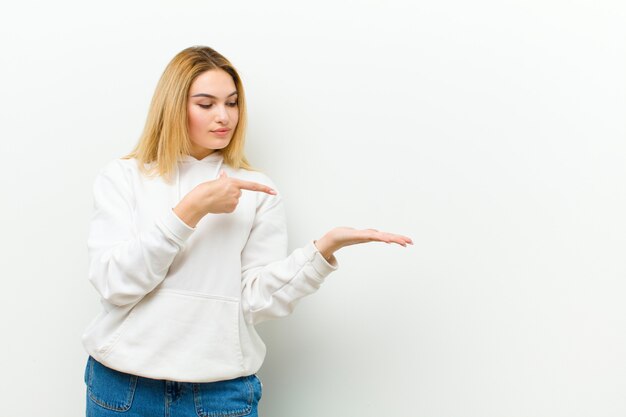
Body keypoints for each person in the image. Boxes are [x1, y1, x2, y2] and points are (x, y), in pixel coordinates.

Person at [82, 45, 412, 417]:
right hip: (124, 388)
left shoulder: (256, 190)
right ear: (173, 106)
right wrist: (191, 209)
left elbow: (257, 301)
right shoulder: (124, 178)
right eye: (206, 104)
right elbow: (114, 283)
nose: (224, 116)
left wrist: (322, 252)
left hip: (219, 394)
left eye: (232, 103)